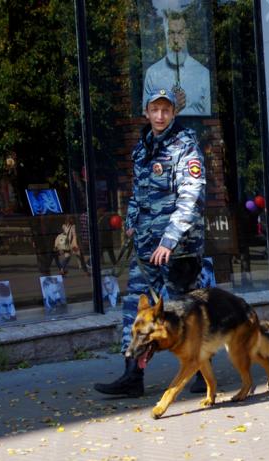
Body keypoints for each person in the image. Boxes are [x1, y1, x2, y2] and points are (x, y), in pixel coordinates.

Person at [94, 86, 206, 397]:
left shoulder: (186, 145)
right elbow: (138, 193)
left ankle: (198, 371)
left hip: (178, 248)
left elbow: (191, 197)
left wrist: (169, 241)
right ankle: (133, 374)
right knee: (135, 308)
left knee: (183, 309)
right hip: (145, 247)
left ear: (173, 112)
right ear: (146, 112)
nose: (160, 115)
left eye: (166, 110)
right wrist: (131, 223)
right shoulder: (142, 148)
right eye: (154, 110)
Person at [142, 11, 211, 116]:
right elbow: (146, 117)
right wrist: (172, 108)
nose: (175, 40)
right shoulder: (152, 74)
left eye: (180, 33)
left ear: (187, 34)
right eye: (171, 33)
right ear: (165, 35)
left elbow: (208, 120)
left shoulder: (203, 74)